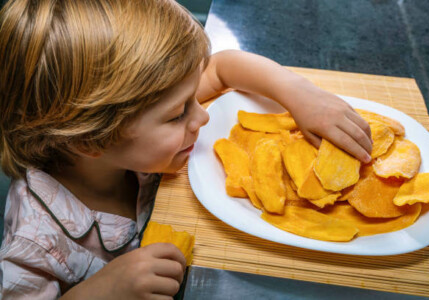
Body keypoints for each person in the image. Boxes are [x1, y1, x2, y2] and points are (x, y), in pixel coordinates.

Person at [0, 0, 372, 298]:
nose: (202, 117)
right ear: (91, 140)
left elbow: (222, 68)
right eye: (179, 114)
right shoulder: (34, 241)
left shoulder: (127, 134)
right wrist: (99, 292)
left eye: (194, 98)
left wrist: (299, 93)